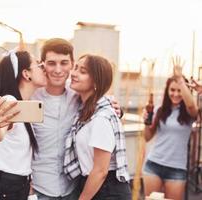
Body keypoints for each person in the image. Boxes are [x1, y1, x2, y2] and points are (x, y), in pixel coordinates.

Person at [0, 38, 123, 200]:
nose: (57, 70)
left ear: (72, 64)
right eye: (51, 63)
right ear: (42, 65)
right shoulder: (27, 97)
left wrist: (117, 108)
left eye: (64, 63)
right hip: (39, 189)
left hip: (72, 188)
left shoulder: (79, 93)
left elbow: (100, 102)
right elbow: (0, 129)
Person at [0, 50, 47, 200]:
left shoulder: (23, 106)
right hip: (5, 190)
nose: (44, 68)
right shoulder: (9, 101)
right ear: (26, 74)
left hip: (13, 188)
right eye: (39, 65)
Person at [64, 54, 131, 200]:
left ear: (96, 81)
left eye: (82, 71)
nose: (74, 74)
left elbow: (101, 170)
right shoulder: (87, 111)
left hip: (106, 190)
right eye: (75, 68)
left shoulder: (101, 118)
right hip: (95, 186)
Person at [142, 57, 198, 200]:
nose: (176, 94)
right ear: (167, 90)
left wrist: (180, 79)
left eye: (180, 90)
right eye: (172, 90)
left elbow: (191, 105)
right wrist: (146, 123)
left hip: (177, 169)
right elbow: (147, 137)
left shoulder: (189, 113)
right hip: (153, 165)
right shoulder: (160, 110)